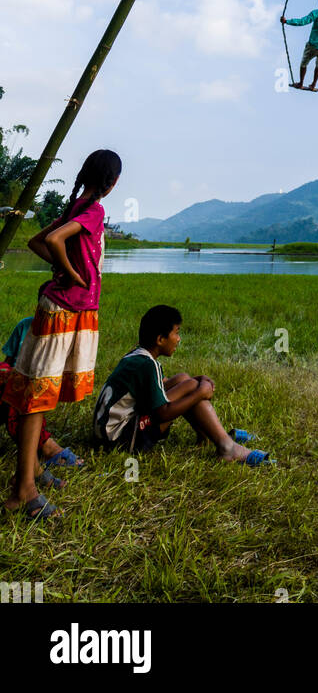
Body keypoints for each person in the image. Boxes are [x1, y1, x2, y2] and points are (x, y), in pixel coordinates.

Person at [2, 148, 122, 521]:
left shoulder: (77, 207)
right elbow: (51, 243)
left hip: (64, 310)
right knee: (36, 397)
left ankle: (32, 472)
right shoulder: (94, 210)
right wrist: (71, 274)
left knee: (39, 395)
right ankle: (24, 490)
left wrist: (64, 270)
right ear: (113, 183)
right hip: (64, 309)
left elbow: (39, 242)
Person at [93, 305, 272, 465]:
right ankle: (226, 446)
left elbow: (160, 386)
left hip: (107, 434)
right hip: (121, 440)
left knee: (183, 380)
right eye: (176, 333)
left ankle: (209, 436)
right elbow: (162, 413)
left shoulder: (137, 356)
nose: (179, 339)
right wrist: (199, 392)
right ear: (160, 339)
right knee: (190, 388)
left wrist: (193, 381)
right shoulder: (148, 365)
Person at [0, 316, 86, 481]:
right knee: (13, 383)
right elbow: (9, 361)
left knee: (15, 383)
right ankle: (44, 447)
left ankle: (39, 451)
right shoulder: (25, 326)